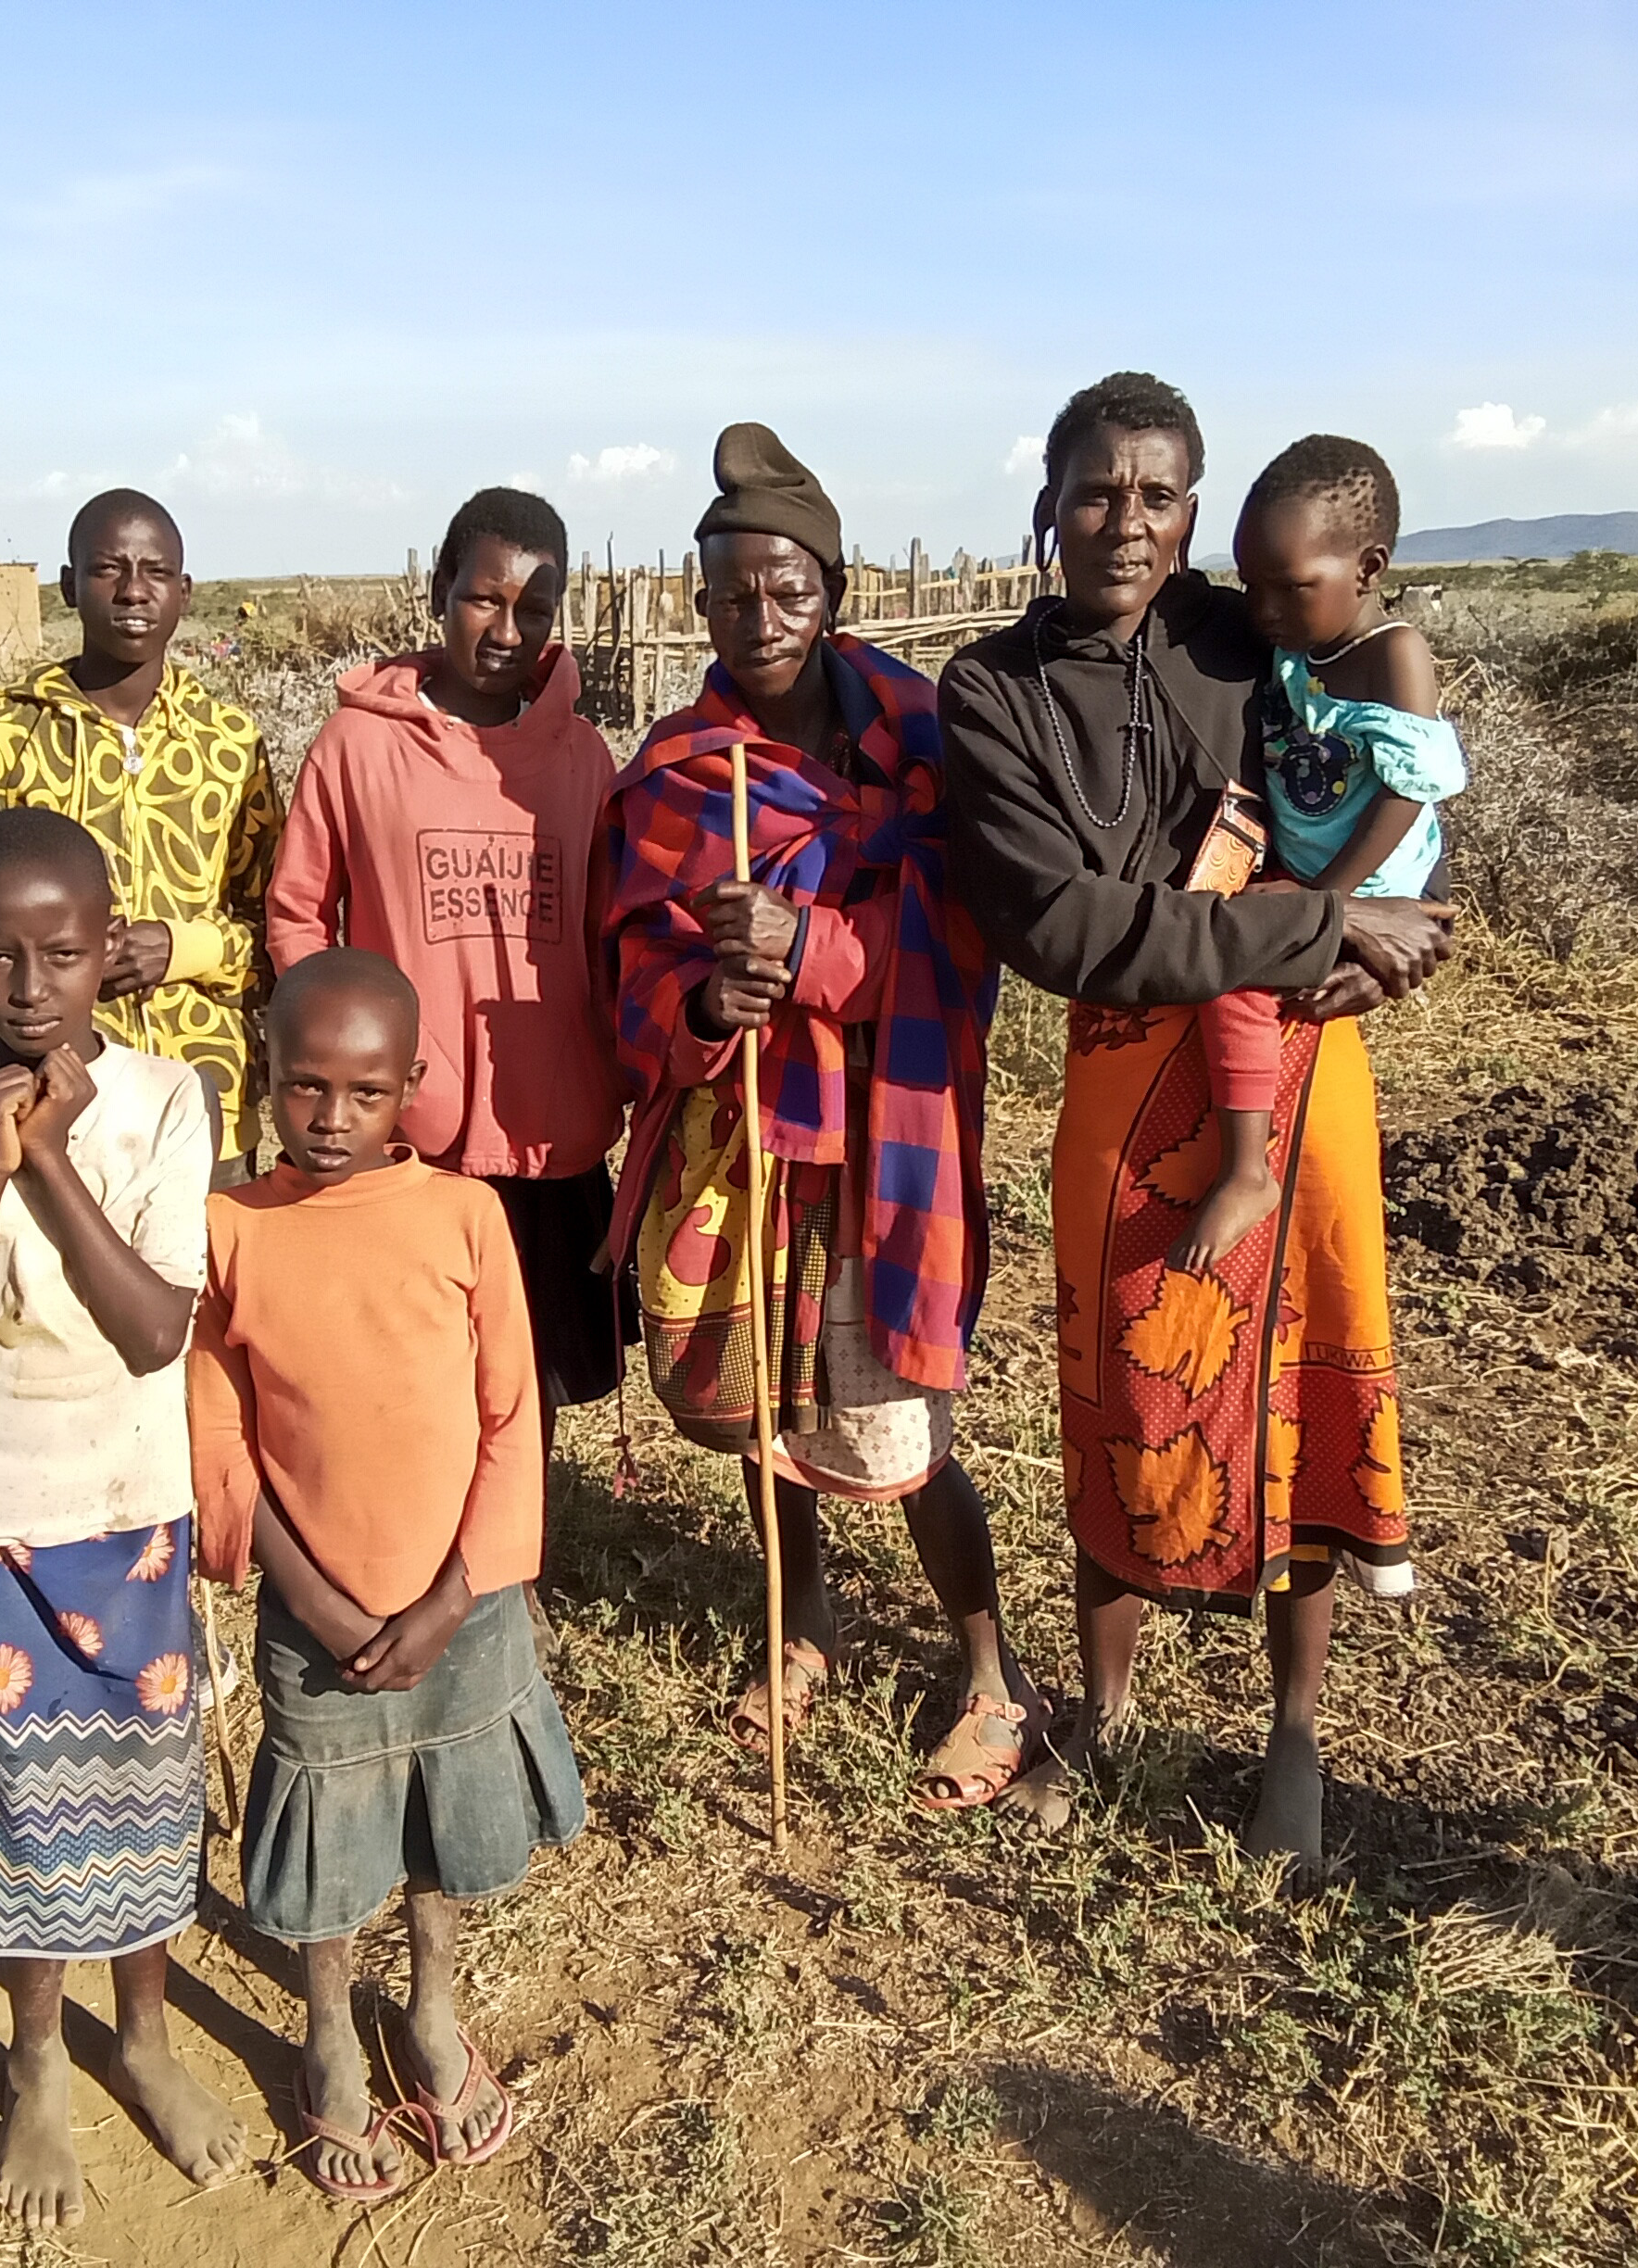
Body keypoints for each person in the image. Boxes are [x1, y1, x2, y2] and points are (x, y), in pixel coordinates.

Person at [938, 372, 1455, 1861]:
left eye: (1157, 495)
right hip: (1123, 1069)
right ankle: (1102, 1715)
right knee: (1121, 1384)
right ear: (1048, 505)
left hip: (1299, 1065)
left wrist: (1409, 924)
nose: (1126, 521)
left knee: (1295, 1377)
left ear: (1192, 512)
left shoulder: (1244, 637)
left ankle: (1293, 1729)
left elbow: (1395, 772)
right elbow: (1061, 924)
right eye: (1096, 491)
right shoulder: (993, 689)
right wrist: (1320, 928)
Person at [597, 422, 1033, 1809]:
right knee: (767, 1408)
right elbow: (631, 960)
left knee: (898, 1422)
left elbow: (972, 929)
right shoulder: (682, 766)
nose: (761, 618)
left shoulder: (925, 741)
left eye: (787, 590)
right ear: (698, 604)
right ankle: (804, 1623)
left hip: (883, 1134)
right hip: (741, 1134)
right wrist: (708, 998)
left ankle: (992, 1674)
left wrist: (816, 953)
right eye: (731, 595)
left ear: (833, 592)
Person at [0, 807, 248, 2228]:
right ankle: (36, 2058)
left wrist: (56, 1160)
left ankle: (143, 2037)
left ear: (111, 949)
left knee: (141, 1801)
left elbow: (153, 1331)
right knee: (18, 1808)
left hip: (129, 1505)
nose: (30, 988)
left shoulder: (165, 1103)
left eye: (65, 954)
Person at [188, 950, 584, 2201]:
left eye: (366, 1091)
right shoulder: (229, 1230)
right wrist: (309, 1598)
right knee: (330, 1835)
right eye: (305, 1085)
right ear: (265, 1072)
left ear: (413, 1085)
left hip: (461, 1604)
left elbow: (512, 1415)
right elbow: (219, 1434)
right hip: (320, 1616)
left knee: (440, 1821)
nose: (331, 1117)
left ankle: (431, 2010)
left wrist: (456, 1593)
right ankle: (326, 2037)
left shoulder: (464, 1216)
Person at [264, 486, 627, 1459]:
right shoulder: (357, 745)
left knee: (528, 1383)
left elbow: (608, 936)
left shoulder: (582, 759)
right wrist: (350, 1067)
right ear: (439, 592)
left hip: (546, 1124)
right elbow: (299, 914)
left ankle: (518, 1549)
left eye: (535, 609)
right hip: (408, 1131)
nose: (507, 631)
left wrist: (612, 1066)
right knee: (410, 1374)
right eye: (484, 600)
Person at [0, 488, 281, 1187]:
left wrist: (185, 947)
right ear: (68, 585)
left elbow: (280, 924)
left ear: (184, 592)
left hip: (206, 1094)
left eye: (156, 572)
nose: (133, 591)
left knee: (207, 1261)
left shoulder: (229, 743)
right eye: (108, 569)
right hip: (44, 1103)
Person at [1174, 435, 1466, 1273]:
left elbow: (1408, 792)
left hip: (1372, 879)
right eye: (1250, 585)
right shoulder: (1293, 650)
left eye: (1289, 586)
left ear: (1368, 568)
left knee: (1237, 973)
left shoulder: (1393, 655)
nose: (1262, 609)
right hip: (1314, 876)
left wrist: (1326, 907)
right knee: (1233, 944)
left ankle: (1246, 1169)